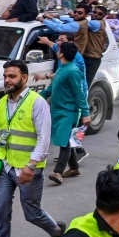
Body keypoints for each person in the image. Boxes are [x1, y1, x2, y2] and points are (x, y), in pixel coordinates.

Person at [0, 59, 65, 237]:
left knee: (32, 213)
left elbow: (44, 139)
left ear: (24, 78)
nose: (7, 80)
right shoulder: (2, 103)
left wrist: (31, 166)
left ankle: (57, 231)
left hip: (28, 169)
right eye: (5, 76)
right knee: (0, 213)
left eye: (12, 76)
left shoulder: (37, 103)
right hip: (3, 166)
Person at [41, 43, 90, 185]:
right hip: (57, 111)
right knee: (67, 140)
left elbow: (79, 94)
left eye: (59, 49)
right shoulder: (62, 69)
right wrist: (37, 97)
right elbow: (51, 88)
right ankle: (74, 167)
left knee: (64, 141)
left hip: (69, 112)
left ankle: (58, 172)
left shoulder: (73, 71)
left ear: (61, 54)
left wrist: (85, 113)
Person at [42, 4, 106, 86]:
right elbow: (70, 23)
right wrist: (54, 18)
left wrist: (47, 20)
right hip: (86, 56)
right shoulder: (84, 22)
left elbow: (67, 26)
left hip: (92, 58)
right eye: (94, 12)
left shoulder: (95, 24)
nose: (95, 15)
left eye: (99, 14)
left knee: (82, 86)